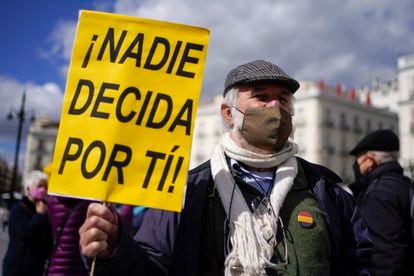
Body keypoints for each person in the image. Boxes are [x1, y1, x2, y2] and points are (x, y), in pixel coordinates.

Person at [79, 60, 373, 275]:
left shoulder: (326, 186)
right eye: (261, 96)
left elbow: (362, 262)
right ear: (228, 114)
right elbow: (152, 266)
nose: (276, 107)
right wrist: (113, 249)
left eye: (283, 99)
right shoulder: (188, 191)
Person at [349, 129, 414, 275]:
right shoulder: (403, 184)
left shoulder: (378, 193)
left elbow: (386, 255)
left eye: (359, 158)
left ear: (370, 159)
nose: (356, 165)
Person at [3, 170, 52, 276]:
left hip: (35, 270)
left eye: (45, 187)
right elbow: (25, 233)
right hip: (17, 269)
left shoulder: (45, 211)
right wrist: (39, 216)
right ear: (28, 189)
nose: (43, 190)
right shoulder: (18, 209)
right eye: (39, 186)